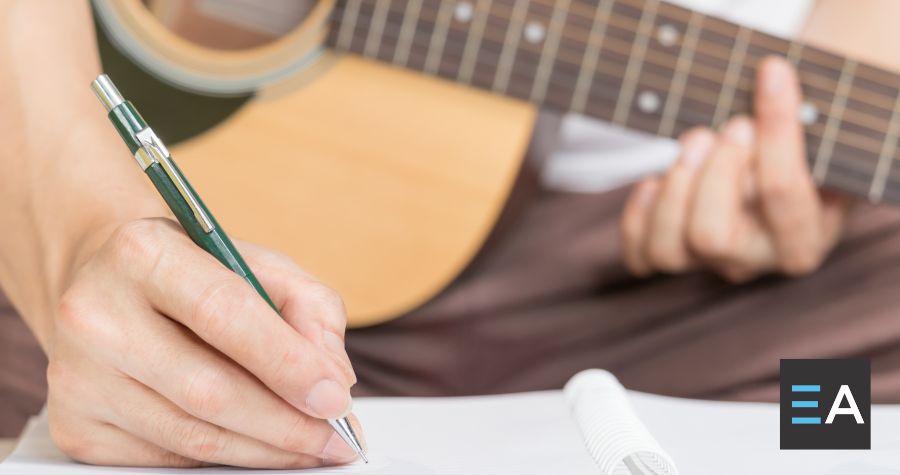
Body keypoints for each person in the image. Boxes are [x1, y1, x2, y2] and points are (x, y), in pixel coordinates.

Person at [2, 0, 900, 469]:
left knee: (845, 414)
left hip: (742, 291)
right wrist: (77, 235)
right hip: (231, 234)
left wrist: (843, 91)